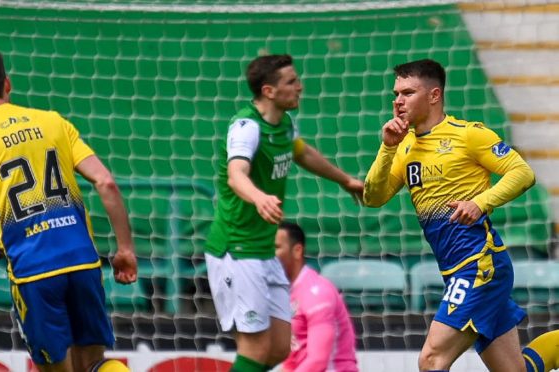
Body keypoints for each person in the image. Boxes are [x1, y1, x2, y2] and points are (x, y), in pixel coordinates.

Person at [0, 44, 136, 372]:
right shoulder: (52, 122)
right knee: (95, 365)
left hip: (34, 270)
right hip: (82, 260)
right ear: (7, 83)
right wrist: (125, 249)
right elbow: (106, 182)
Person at [363, 58, 540, 371]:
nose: (398, 101)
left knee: (432, 359)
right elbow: (373, 197)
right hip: (455, 268)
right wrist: (387, 147)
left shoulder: (468, 135)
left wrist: (481, 202)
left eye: (407, 92)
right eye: (396, 93)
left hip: (479, 265)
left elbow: (522, 173)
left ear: (433, 96)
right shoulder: (403, 148)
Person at [205, 54, 363, 372]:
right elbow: (236, 174)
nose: (300, 87)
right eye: (291, 82)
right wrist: (259, 197)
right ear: (269, 91)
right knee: (256, 347)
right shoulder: (247, 127)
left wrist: (344, 180)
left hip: (263, 250)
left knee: (279, 347)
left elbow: (301, 151)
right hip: (237, 247)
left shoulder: (284, 124)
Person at [275, 221, 358, 372]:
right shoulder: (287, 293)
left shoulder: (317, 293)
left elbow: (318, 361)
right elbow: (291, 362)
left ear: (297, 251)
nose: (270, 255)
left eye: (276, 248)